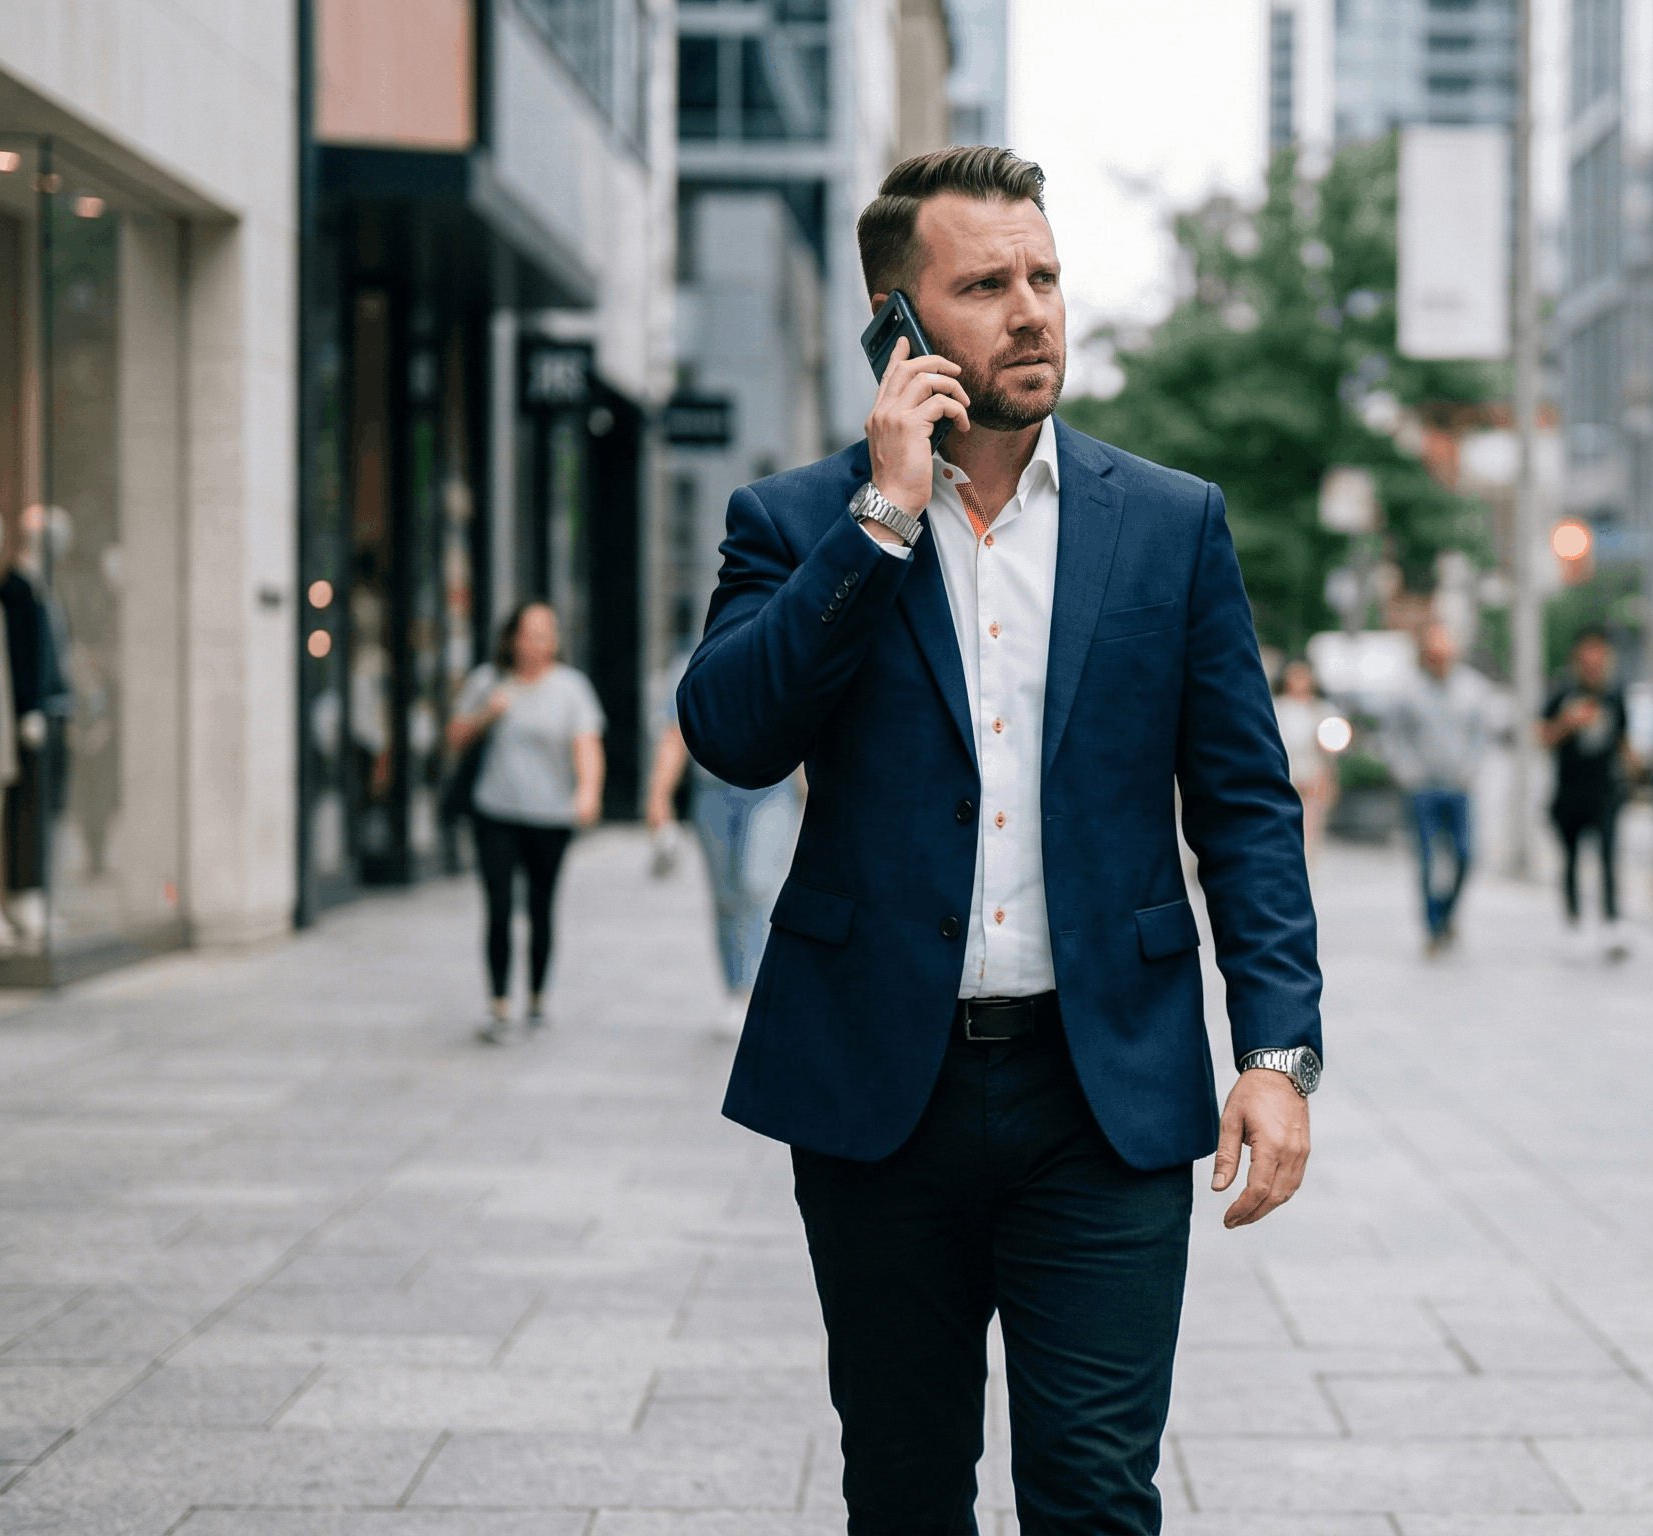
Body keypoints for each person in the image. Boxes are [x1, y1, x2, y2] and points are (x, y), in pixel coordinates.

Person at [674, 147, 1321, 1534]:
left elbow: (1248, 808)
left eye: (1045, 276)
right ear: (897, 327)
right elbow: (733, 734)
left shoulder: (1170, 524)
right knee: (906, 1492)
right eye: (984, 286)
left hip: (1107, 1096)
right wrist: (883, 518)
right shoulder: (797, 523)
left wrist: (1275, 1055)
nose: (1032, 311)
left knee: (1094, 1494)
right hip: (877, 1091)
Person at [447, 602, 605, 1044]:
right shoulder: (488, 681)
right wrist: (487, 714)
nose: (538, 641)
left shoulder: (571, 688)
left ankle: (535, 1000)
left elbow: (587, 745)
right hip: (495, 813)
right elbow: (454, 736)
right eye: (530, 632)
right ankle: (499, 1005)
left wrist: (588, 791)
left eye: (547, 632)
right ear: (512, 637)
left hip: (551, 818)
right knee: (497, 908)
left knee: (540, 908)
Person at [644, 721, 802, 1029]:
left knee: (757, 886)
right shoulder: (688, 670)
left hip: (772, 790)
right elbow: (675, 734)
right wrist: (658, 798)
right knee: (725, 897)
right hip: (713, 791)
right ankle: (735, 990)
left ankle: (753, 993)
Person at [1381, 622, 1493, 953]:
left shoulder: (1474, 689)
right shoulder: (1407, 692)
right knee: (1428, 857)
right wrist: (1407, 773)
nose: (1440, 660)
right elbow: (1393, 737)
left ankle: (1448, 913)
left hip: (1459, 787)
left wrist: (1470, 771)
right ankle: (1432, 926)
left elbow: (1482, 737)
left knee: (1465, 855)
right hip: (1422, 789)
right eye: (1433, 654)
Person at [1540, 626, 1635, 960]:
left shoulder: (1615, 694)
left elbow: (1625, 741)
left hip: (1606, 792)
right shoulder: (1563, 692)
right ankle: (1574, 921)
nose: (1595, 663)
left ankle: (1612, 924)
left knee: (1609, 858)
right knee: (1570, 860)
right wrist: (1567, 723)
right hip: (1569, 793)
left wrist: (1635, 774)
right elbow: (1540, 736)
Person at [1269, 658, 1336, 857]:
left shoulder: (1321, 710)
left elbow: (1331, 747)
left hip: (1312, 773)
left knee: (1310, 833)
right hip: (1284, 773)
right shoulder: (1277, 708)